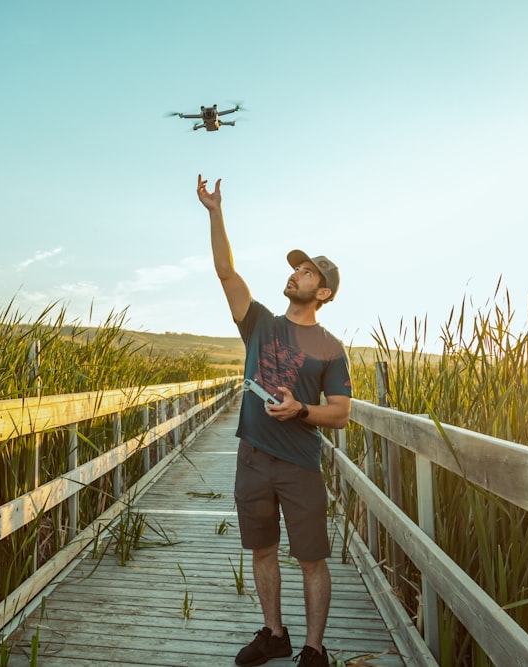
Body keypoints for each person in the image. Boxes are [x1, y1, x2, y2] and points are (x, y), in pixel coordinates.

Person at [196, 174, 352, 667]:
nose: (297, 275)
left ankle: (313, 648)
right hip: (253, 458)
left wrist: (301, 409)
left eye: (307, 273)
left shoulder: (331, 347)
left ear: (323, 292)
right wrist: (215, 213)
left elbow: (342, 415)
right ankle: (275, 634)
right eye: (296, 269)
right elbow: (225, 273)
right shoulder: (260, 323)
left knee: (311, 558)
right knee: (262, 550)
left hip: (300, 464)